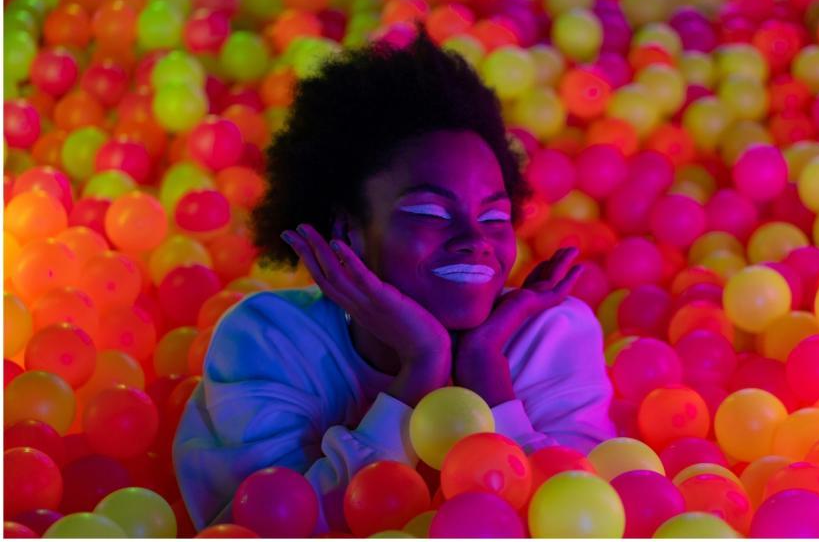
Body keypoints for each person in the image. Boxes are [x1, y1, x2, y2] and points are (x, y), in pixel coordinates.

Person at [173, 26, 615, 534]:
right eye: (430, 212)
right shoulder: (267, 339)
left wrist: (483, 364)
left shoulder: (552, 333)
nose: (475, 240)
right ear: (348, 229)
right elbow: (267, 527)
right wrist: (422, 366)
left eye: (494, 218)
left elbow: (584, 520)